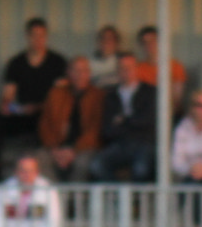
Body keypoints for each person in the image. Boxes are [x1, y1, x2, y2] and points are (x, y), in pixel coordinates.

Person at [90, 53, 156, 182]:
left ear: (137, 69)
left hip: (144, 143)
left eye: (129, 68)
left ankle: (133, 195)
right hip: (119, 144)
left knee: (141, 169)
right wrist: (133, 121)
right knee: (96, 165)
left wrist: (123, 120)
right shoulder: (111, 96)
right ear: (117, 71)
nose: (126, 71)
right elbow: (107, 130)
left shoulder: (150, 92)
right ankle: (119, 193)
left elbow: (148, 121)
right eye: (122, 68)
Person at [0, 17, 67, 141]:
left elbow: (62, 98)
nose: (38, 40)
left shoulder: (58, 62)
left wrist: (38, 107)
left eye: (41, 36)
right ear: (27, 37)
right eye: (34, 36)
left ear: (46, 37)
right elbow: (7, 101)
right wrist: (18, 109)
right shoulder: (16, 63)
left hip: (49, 113)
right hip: (24, 113)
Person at [38, 56, 104, 182]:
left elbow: (96, 130)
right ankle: (55, 193)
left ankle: (74, 194)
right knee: (39, 158)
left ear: (89, 73)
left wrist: (74, 151)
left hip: (84, 148)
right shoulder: (55, 94)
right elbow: (44, 125)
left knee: (82, 163)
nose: (80, 75)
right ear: (68, 73)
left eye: (84, 71)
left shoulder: (98, 96)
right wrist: (54, 149)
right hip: (57, 146)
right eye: (76, 70)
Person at [0, 155, 61, 227]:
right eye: (23, 171)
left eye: (31, 171)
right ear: (15, 172)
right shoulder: (4, 189)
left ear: (37, 172)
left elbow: (53, 222)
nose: (27, 175)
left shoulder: (48, 190)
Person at [133, 26, 187, 114]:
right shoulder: (137, 69)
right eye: (145, 42)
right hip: (146, 113)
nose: (149, 45)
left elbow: (177, 99)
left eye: (152, 41)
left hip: (170, 113)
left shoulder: (175, 66)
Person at [88, 25, 122, 89]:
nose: (106, 42)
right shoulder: (89, 63)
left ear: (116, 43)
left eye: (110, 39)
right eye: (103, 38)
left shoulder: (123, 61)